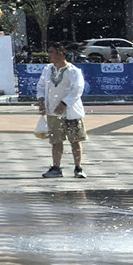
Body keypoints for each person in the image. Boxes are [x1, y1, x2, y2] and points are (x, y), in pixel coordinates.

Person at [39, 43, 88, 178]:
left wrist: (64, 103)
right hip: (53, 112)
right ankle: (56, 168)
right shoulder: (47, 69)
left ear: (61, 54)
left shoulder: (73, 71)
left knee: (75, 140)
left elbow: (77, 89)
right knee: (56, 141)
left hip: (71, 112)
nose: (49, 55)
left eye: (51, 52)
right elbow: (41, 86)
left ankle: (78, 168)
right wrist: (41, 100)